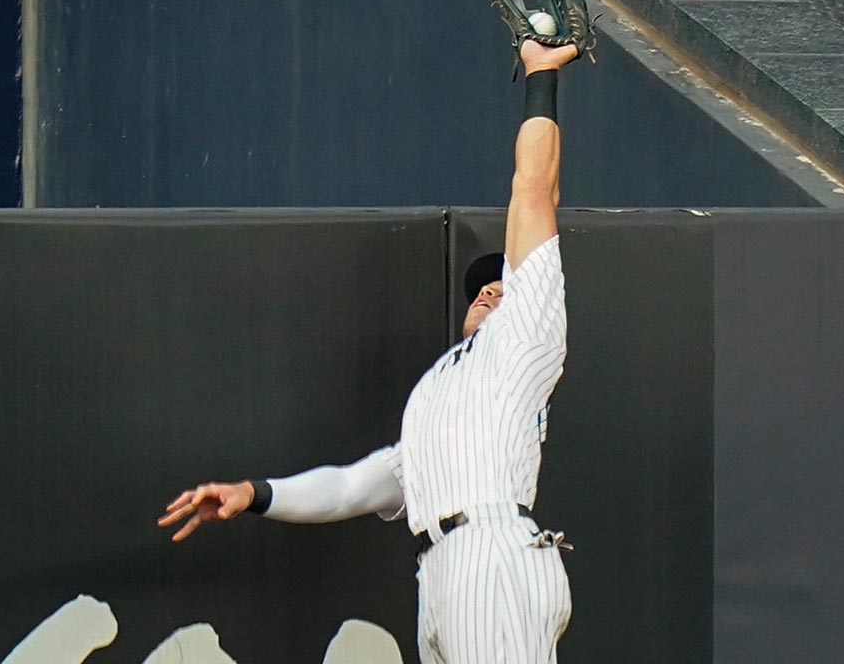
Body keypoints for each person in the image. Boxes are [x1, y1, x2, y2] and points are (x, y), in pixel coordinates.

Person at [159, 39, 581, 663]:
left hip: (493, 553)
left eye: (504, 282)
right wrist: (255, 492)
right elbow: (352, 487)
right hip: (441, 573)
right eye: (480, 288)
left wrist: (541, 76)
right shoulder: (438, 392)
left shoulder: (525, 333)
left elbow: (533, 191)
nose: (492, 289)